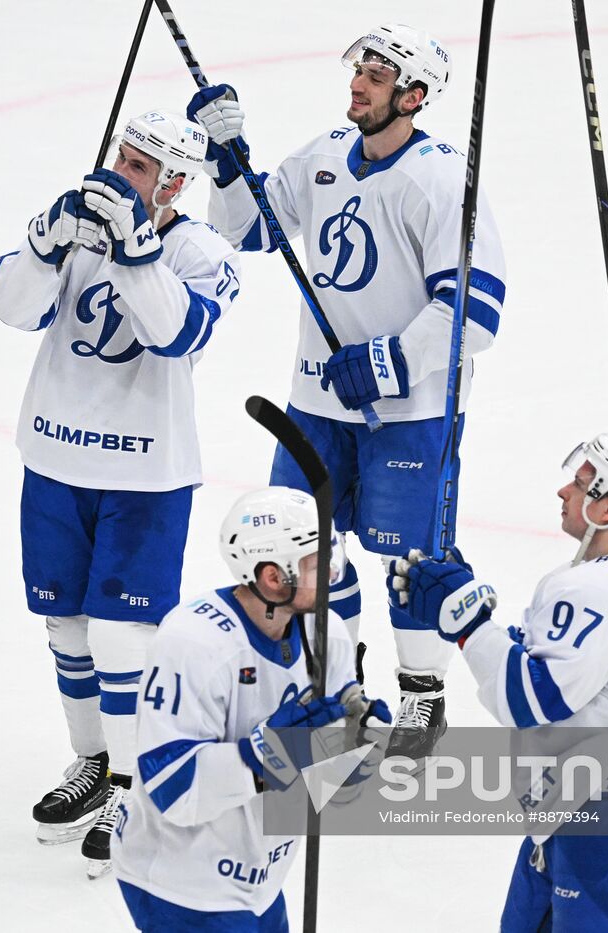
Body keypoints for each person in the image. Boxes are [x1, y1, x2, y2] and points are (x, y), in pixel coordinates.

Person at [187, 23, 506, 756]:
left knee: (410, 561)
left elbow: (473, 313)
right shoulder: (327, 154)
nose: (359, 83)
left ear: (415, 96)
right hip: (316, 405)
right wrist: (227, 167)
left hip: (414, 410)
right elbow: (248, 231)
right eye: (360, 69)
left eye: (378, 75)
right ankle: (338, 686)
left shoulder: (440, 180)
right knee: (307, 550)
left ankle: (423, 697)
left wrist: (387, 362)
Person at [0, 109, 242, 877]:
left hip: (146, 473)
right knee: (66, 627)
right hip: (56, 457)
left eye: (138, 165)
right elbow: (10, 306)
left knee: (122, 639)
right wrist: (45, 243)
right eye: (120, 157)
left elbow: (176, 332)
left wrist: (133, 247)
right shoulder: (76, 229)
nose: (118, 173)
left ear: (174, 183)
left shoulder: (204, 250)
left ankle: (135, 790)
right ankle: (94, 761)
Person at [392, 430, 608, 931]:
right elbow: (562, 665)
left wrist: (467, 623)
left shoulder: (602, 586)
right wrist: (469, 610)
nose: (564, 492)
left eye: (580, 484)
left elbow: (533, 697)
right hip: (590, 807)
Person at [113, 487, 389, 931]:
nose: (334, 575)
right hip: (179, 880)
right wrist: (265, 755)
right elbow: (172, 789)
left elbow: (327, 780)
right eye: (318, 565)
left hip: (258, 873)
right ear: (273, 577)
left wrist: (359, 749)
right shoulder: (194, 643)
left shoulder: (327, 635)